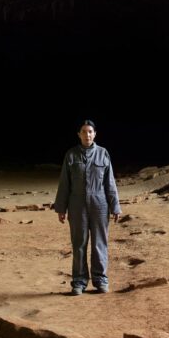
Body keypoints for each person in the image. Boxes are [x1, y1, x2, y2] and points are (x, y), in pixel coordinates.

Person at [53, 119, 121, 295]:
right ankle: (79, 281)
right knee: (79, 243)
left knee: (100, 243)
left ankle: (100, 280)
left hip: (100, 204)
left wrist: (115, 206)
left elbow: (110, 182)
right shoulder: (71, 155)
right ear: (79, 135)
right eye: (84, 132)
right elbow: (64, 183)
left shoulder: (103, 154)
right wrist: (61, 208)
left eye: (90, 131)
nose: (87, 135)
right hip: (77, 205)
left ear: (95, 134)